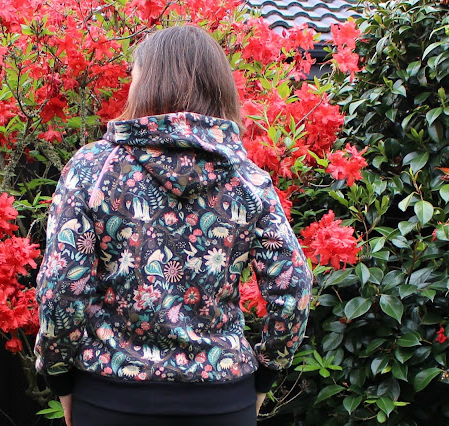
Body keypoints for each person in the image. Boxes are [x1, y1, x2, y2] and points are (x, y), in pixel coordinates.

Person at [34, 25, 313, 426]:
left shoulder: (93, 169)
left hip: (113, 399)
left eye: (133, 77)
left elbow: (62, 284)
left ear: (147, 84)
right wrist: (267, 373)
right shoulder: (248, 179)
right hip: (221, 401)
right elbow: (294, 285)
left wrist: (59, 374)